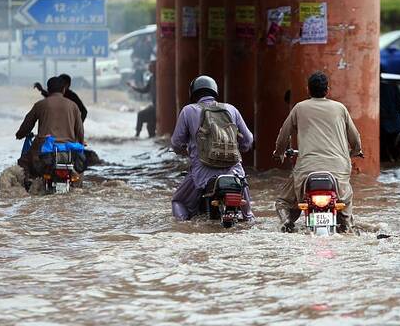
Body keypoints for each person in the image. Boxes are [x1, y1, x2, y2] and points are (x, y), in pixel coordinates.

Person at [272, 71, 362, 234]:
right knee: (346, 202)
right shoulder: (340, 108)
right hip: (338, 170)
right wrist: (356, 151)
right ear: (327, 90)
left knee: (283, 202)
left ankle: (286, 223)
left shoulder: (299, 108)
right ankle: (347, 225)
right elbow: (355, 137)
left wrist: (279, 152)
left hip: (307, 170)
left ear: (308, 90)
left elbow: (284, 134)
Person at [171, 75, 254, 221]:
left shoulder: (188, 111)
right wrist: (241, 148)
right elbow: (248, 140)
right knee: (248, 216)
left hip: (202, 174)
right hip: (234, 172)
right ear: (214, 91)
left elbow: (176, 143)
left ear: (193, 93)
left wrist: (182, 151)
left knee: (178, 201)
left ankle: (183, 227)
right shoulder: (231, 109)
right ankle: (248, 218)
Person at [16, 77, 84, 182]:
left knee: (23, 164)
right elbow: (80, 130)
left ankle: (24, 188)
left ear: (48, 89)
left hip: (44, 148)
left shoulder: (40, 105)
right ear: (64, 90)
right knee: (77, 173)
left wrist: (19, 135)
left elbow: (27, 124)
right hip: (68, 150)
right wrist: (81, 142)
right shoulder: (73, 106)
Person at [127, 60, 156, 137]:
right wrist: (133, 87)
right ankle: (137, 134)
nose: (149, 68)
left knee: (141, 115)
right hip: (154, 106)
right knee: (149, 124)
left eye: (151, 66)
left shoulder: (160, 78)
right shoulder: (152, 78)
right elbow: (145, 90)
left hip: (159, 107)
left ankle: (137, 135)